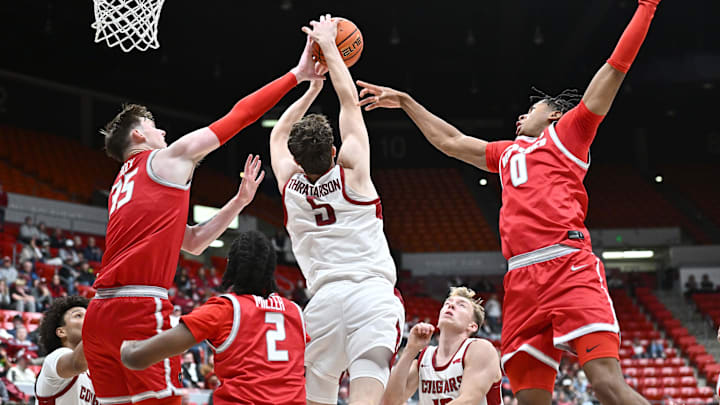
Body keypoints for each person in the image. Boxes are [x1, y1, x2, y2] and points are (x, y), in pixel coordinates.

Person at [356, 1, 662, 404]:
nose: (520, 116)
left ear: (554, 115)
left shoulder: (568, 136)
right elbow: (451, 142)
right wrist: (408, 102)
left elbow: (615, 67)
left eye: (531, 109)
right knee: (529, 399)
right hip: (520, 280)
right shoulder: (506, 155)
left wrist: (647, 7)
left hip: (567, 265)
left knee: (605, 384)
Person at [81, 37, 320, 405]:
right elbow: (240, 116)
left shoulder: (120, 185)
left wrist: (239, 202)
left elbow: (192, 243)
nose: (164, 133)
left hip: (99, 315)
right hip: (138, 307)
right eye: (156, 127)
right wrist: (296, 75)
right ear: (139, 134)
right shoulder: (166, 159)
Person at [270, 17, 405, 405]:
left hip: (324, 302)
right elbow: (350, 101)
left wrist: (310, 88)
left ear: (296, 160)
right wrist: (330, 48)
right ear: (333, 151)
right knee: (369, 379)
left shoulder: (288, 187)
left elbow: (278, 134)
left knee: (319, 389)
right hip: (371, 294)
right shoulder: (353, 173)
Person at [120, 231, 307, 405]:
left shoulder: (225, 310)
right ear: (271, 269)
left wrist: (125, 346)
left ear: (232, 267)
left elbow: (137, 358)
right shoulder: (295, 312)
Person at [383, 287, 502, 405]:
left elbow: (468, 401)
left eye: (461, 305)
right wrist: (410, 350)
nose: (451, 306)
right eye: (447, 304)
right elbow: (391, 402)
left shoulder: (480, 349)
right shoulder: (424, 359)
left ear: (472, 326)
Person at [35, 296, 96, 405]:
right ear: (61, 332)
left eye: (88, 315)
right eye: (78, 315)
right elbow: (77, 364)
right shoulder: (55, 358)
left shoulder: (94, 370)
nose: (88, 318)